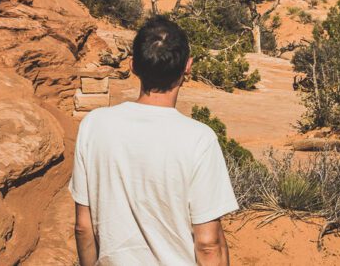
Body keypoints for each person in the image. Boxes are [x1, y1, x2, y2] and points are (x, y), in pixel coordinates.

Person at [71, 16, 238, 266]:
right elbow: (208, 244)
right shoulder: (199, 139)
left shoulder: (94, 125)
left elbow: (83, 227)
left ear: (133, 65)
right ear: (188, 66)